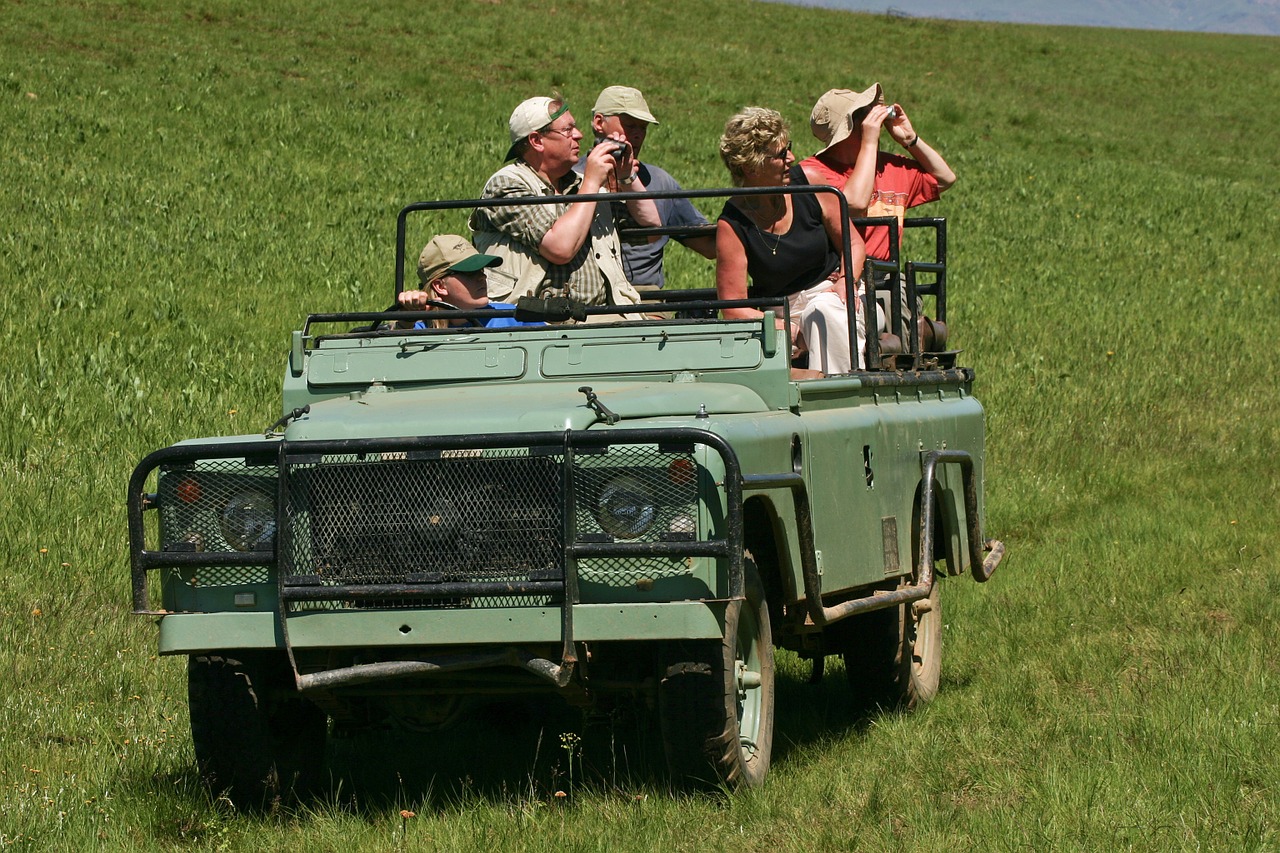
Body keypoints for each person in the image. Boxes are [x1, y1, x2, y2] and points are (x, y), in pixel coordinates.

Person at [468, 95, 661, 314]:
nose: (579, 135)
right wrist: (592, 182)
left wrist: (627, 176)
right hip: (534, 319)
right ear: (536, 141)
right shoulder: (505, 186)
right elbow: (560, 248)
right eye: (568, 130)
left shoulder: (580, 185)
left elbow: (652, 230)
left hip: (599, 316)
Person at [714, 107, 867, 374]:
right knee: (817, 317)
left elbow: (853, 244)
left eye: (789, 148)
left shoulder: (811, 184)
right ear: (752, 166)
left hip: (834, 293)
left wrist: (847, 280)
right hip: (783, 312)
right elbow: (733, 307)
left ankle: (838, 394)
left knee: (823, 312)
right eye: (781, 154)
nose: (792, 159)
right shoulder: (733, 223)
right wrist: (786, 327)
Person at [801, 84, 956, 340]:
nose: (876, 116)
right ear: (851, 126)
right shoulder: (814, 172)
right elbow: (854, 203)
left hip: (886, 275)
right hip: (838, 277)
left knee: (901, 298)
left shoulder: (891, 167)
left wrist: (910, 140)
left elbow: (945, 178)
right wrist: (870, 142)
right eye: (865, 113)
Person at [574, 85, 715, 289]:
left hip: (644, 297)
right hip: (588, 296)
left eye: (643, 128)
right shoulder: (570, 177)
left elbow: (709, 247)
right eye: (630, 126)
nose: (638, 135)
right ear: (599, 123)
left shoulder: (659, 181)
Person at [396, 234, 542, 329]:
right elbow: (395, 355)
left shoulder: (513, 318)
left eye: (481, 270)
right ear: (440, 286)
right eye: (470, 272)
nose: (482, 277)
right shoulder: (420, 329)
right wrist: (406, 317)